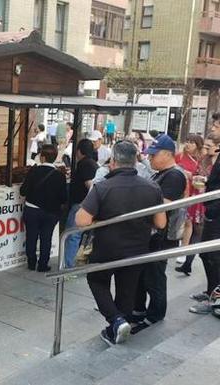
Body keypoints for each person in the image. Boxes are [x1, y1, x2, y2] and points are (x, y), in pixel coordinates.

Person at [76, 141, 166, 346]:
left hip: (106, 248)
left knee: (97, 280)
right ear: (135, 161)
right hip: (137, 248)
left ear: (113, 161)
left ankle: (115, 320)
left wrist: (99, 220)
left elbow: (81, 221)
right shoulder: (152, 187)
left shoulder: (103, 187)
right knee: (127, 289)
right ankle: (116, 327)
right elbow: (161, 223)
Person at [130, 135, 186, 333]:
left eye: (154, 155)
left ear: (167, 154)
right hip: (152, 234)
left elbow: (165, 204)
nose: (151, 158)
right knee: (143, 273)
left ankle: (155, 314)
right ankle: (138, 309)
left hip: (162, 235)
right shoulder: (160, 173)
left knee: (154, 276)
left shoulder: (174, 175)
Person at [20, 145, 67, 272]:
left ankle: (31, 263)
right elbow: (63, 198)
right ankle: (42, 265)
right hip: (51, 213)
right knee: (46, 238)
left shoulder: (33, 171)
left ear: (42, 157)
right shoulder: (60, 175)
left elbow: (23, 191)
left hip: (32, 210)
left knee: (31, 236)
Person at [189, 132, 220, 314]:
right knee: (204, 253)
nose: (205, 150)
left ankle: (214, 298)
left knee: (213, 256)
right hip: (211, 210)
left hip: (216, 213)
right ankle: (211, 291)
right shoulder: (211, 160)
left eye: (208, 147)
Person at [63, 139, 98, 268]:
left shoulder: (85, 164)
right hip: (84, 205)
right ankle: (69, 262)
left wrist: (86, 204)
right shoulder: (92, 163)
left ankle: (68, 266)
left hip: (80, 205)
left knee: (72, 235)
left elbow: (90, 185)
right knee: (74, 235)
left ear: (79, 151)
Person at [175, 134, 205, 275]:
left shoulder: (201, 160)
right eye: (187, 141)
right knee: (181, 220)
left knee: (189, 222)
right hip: (181, 191)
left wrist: (191, 176)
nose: (188, 144)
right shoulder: (179, 157)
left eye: (192, 142)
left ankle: (184, 249)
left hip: (194, 192)